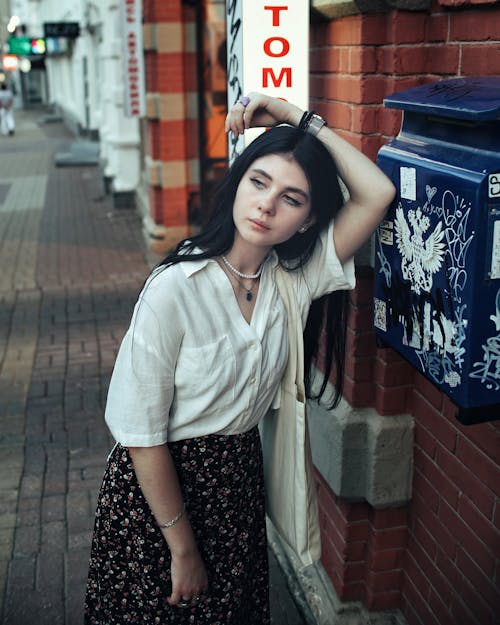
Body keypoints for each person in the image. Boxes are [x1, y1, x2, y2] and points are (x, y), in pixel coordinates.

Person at [84, 92, 395, 624]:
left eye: (292, 198)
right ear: (238, 182)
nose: (267, 205)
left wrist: (295, 117)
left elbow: (377, 193)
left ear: (306, 220)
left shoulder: (293, 281)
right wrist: (182, 549)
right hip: (159, 500)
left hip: (236, 488)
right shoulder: (174, 289)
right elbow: (140, 433)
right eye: (259, 182)